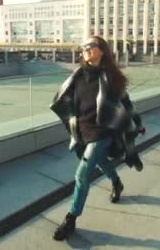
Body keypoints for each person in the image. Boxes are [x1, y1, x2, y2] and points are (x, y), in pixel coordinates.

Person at [49, 36, 145, 241]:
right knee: (100, 161)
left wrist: (136, 123)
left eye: (90, 46)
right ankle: (116, 182)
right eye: (83, 47)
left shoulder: (111, 78)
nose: (85, 49)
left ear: (102, 51)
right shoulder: (77, 75)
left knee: (82, 173)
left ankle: (71, 218)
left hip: (102, 132)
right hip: (82, 131)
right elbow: (64, 99)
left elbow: (125, 103)